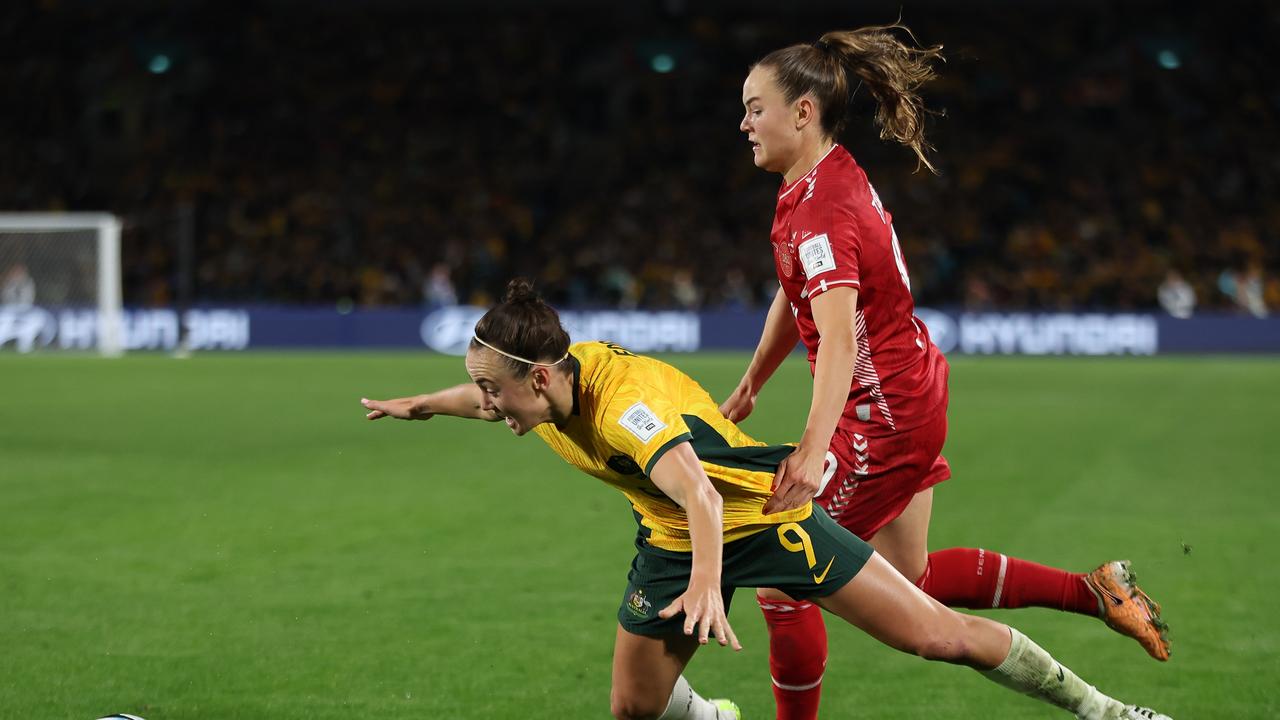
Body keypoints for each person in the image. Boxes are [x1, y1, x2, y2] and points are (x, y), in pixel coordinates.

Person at [360, 279, 1172, 720]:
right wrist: (422, 405)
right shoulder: (545, 383)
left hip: (760, 519)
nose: (490, 408)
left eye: (495, 395)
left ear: (540, 378)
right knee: (632, 707)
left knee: (937, 636)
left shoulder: (625, 409)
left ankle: (1106, 712)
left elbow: (703, 497)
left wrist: (712, 586)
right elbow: (486, 399)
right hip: (672, 540)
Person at [725, 22, 1170, 719]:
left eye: (755, 107)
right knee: (914, 578)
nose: (744, 122)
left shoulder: (821, 211)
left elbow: (839, 338)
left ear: (802, 112)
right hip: (911, 388)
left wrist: (812, 452)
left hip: (882, 417)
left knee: (783, 575)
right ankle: (1094, 590)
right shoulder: (822, 180)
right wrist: (754, 380)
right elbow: (795, 287)